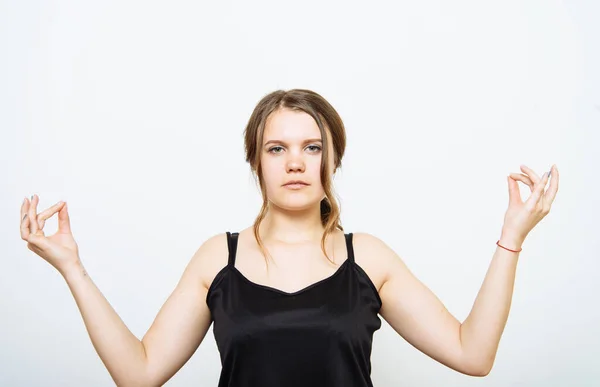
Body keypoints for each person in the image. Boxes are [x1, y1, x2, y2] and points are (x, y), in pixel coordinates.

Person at [19, 89, 559, 387]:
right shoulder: (218, 258)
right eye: (276, 148)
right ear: (255, 162)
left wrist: (511, 237)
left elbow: (474, 354)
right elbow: (138, 375)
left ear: (332, 160)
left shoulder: (367, 257)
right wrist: (73, 268)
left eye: (311, 147)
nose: (295, 162)